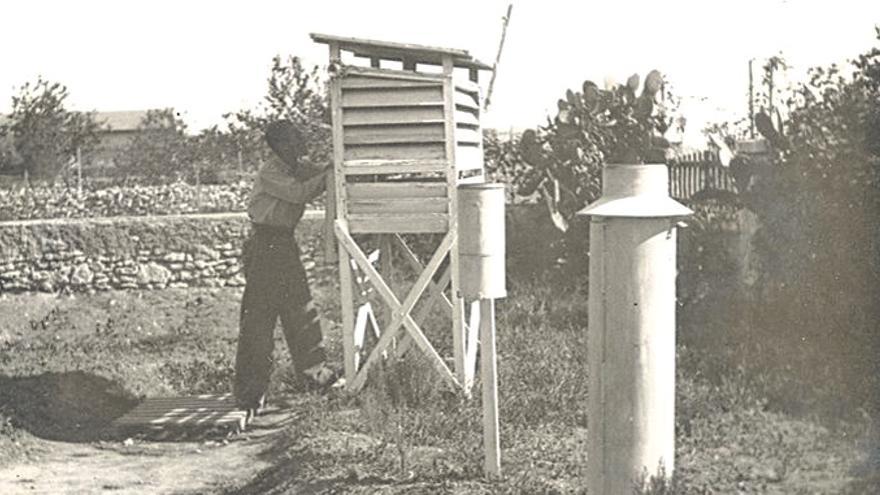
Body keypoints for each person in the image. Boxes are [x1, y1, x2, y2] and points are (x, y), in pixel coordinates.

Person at [234, 120, 337, 420]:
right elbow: (299, 193)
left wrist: (330, 168)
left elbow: (316, 171)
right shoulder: (272, 171)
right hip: (265, 245)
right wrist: (327, 175)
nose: (296, 150)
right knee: (259, 319)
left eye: (297, 144)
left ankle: (315, 378)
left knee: (301, 311)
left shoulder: (294, 165)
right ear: (279, 147)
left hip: (283, 244)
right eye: (290, 145)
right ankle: (250, 393)